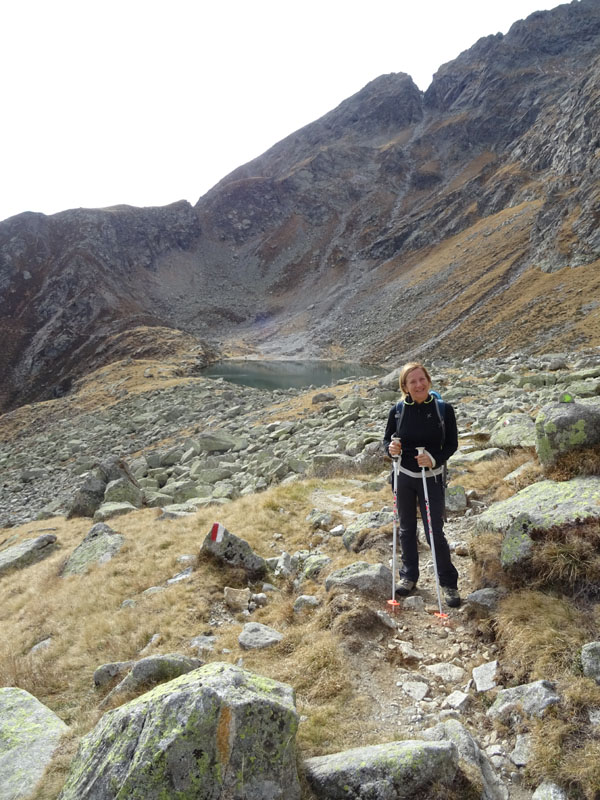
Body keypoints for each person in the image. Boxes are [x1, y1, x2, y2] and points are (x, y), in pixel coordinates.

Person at [383, 362, 461, 607]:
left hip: (432, 477)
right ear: (404, 387)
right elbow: (387, 440)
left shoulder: (443, 410)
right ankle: (408, 577)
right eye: (412, 382)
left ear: (428, 380)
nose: (418, 385)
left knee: (434, 532)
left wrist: (434, 458)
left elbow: (451, 445)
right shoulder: (397, 411)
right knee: (406, 529)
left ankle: (448, 583)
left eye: (421, 379)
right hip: (404, 475)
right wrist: (390, 448)